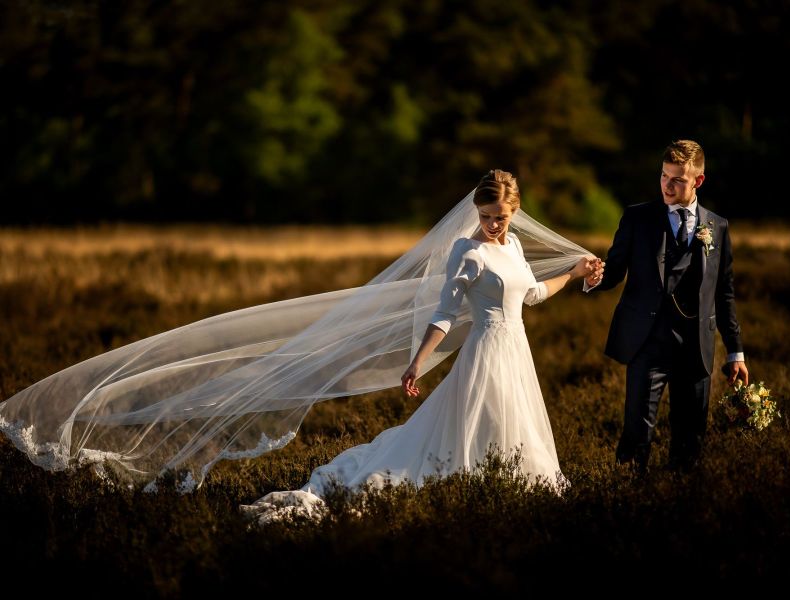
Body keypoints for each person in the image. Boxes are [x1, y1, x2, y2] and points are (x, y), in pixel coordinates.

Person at [241, 169, 602, 523]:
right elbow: (444, 313)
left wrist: (573, 273)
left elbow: (534, 295)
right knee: (483, 419)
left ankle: (509, 491)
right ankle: (474, 487)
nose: (493, 224)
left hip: (517, 351)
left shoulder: (514, 244)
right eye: (486, 216)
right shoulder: (469, 251)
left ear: (515, 213)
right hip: (486, 352)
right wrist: (418, 361)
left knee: (515, 421)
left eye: (501, 217)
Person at [586, 139, 747, 475]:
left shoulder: (717, 226)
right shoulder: (637, 218)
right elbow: (613, 272)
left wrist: (735, 352)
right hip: (647, 343)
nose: (667, 186)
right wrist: (591, 276)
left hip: (696, 348)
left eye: (677, 180)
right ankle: (623, 506)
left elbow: (724, 292)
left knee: (691, 442)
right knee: (636, 438)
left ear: (698, 181)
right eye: (664, 176)